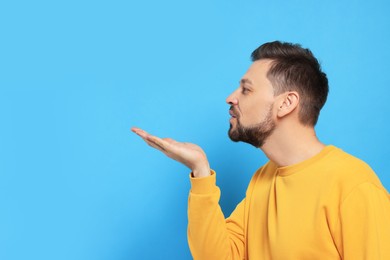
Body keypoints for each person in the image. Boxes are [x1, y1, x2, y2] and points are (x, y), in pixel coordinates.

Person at [131, 41, 390, 259]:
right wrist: (200, 171)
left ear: (286, 103)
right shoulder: (263, 180)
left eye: (246, 89)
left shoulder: (354, 186)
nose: (231, 97)